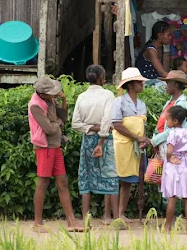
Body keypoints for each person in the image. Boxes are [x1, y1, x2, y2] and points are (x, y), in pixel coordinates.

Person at [28, 77, 84, 233]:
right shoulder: (35, 106)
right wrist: (58, 123)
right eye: (51, 93)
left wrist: (64, 101)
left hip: (55, 145)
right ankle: (37, 223)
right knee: (43, 182)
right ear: (42, 93)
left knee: (63, 182)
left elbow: (63, 118)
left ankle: (71, 221)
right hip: (44, 146)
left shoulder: (49, 100)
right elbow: (49, 128)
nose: (55, 95)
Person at [71, 65, 119, 225]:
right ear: (101, 78)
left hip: (87, 140)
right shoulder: (108, 95)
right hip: (105, 141)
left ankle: (86, 216)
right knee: (110, 175)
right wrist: (101, 138)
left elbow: (75, 123)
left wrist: (90, 127)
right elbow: (107, 120)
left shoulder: (82, 96)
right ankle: (111, 217)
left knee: (85, 175)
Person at [111, 67, 150, 222]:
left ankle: (121, 213)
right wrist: (136, 137)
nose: (142, 84)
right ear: (131, 84)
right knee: (117, 179)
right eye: (139, 82)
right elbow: (117, 124)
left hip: (137, 147)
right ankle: (113, 214)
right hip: (122, 145)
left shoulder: (141, 104)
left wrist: (143, 140)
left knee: (129, 180)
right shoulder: (118, 102)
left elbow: (142, 126)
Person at [162, 106, 187, 235]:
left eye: (168, 119)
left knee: (172, 198)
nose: (166, 122)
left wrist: (169, 159)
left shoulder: (172, 133)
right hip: (186, 166)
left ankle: (167, 227)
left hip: (174, 167)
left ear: (175, 121)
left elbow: (170, 151)